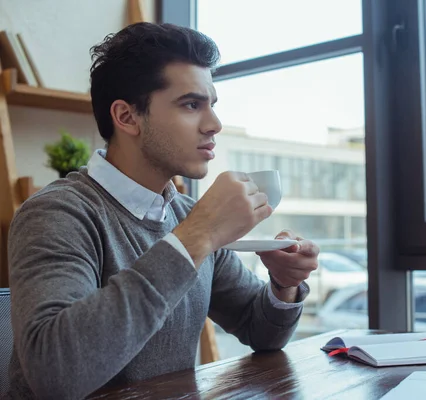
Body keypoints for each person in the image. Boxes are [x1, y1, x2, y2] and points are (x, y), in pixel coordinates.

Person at [4, 22, 319, 400]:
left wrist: (283, 285)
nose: (214, 124)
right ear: (127, 117)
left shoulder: (188, 215)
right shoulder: (57, 213)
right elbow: (56, 374)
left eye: (212, 105)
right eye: (191, 104)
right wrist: (197, 235)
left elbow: (260, 330)